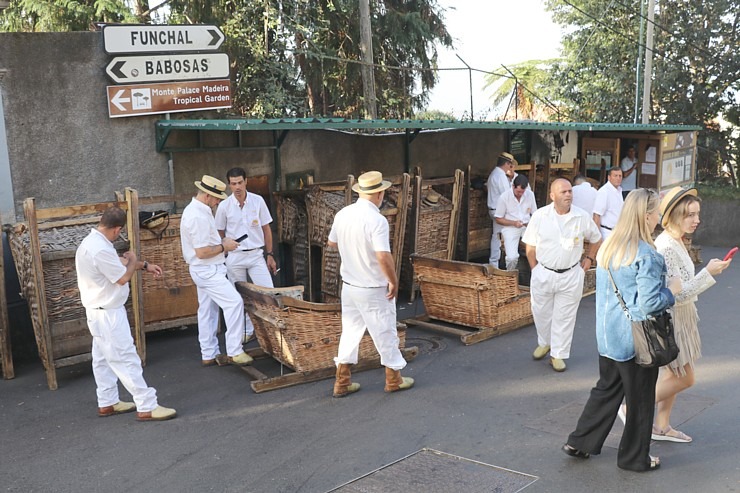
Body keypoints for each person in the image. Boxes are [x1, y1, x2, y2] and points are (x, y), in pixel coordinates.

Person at [563, 189, 680, 472]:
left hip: (607, 335)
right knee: (640, 400)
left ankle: (580, 442)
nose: (658, 218)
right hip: (636, 339)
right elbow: (649, 304)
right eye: (656, 213)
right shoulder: (647, 254)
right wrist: (671, 291)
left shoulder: (609, 247)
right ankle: (634, 459)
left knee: (606, 389)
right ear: (646, 215)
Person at [75, 206, 176, 421]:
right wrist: (133, 261)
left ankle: (107, 401)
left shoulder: (91, 243)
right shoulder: (101, 249)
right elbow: (122, 277)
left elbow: (118, 265)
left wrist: (143, 264)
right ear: (116, 229)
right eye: (120, 232)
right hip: (109, 313)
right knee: (126, 358)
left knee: (102, 359)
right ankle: (147, 405)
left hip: (97, 311)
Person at [645, 187, 730, 443]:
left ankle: (661, 425)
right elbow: (677, 294)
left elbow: (681, 288)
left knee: (674, 375)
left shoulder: (676, 241)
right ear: (674, 216)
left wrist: (707, 272)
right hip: (674, 318)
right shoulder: (667, 246)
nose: (697, 220)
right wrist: (709, 273)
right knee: (685, 378)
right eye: (690, 215)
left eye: (697, 214)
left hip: (682, 316)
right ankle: (632, 407)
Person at [327, 171, 413, 397]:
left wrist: (353, 249)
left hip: (350, 285)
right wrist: (393, 281)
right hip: (372, 287)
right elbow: (383, 256)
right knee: (385, 331)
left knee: (350, 333)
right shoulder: (377, 220)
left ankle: (342, 382)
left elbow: (331, 243)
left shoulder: (343, 214)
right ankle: (394, 379)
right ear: (379, 194)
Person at [522, 178, 601, 372]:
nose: (568, 195)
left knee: (564, 317)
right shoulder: (540, 216)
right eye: (563, 192)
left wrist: (589, 259)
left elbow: (596, 239)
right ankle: (545, 342)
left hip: (571, 274)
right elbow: (530, 246)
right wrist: (535, 268)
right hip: (544, 273)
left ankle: (558, 354)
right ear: (552, 196)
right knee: (541, 312)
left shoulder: (581, 216)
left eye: (569, 191)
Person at [181, 175, 253, 367]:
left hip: (204, 269)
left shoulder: (197, 211)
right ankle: (235, 350)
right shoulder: (197, 216)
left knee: (207, 310)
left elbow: (204, 247)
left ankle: (209, 353)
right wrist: (225, 247)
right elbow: (203, 252)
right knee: (234, 303)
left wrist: (222, 244)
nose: (219, 201)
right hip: (207, 269)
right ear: (206, 196)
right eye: (216, 198)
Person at [215, 167, 277, 342]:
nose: (237, 187)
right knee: (238, 297)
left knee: (268, 293)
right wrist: (225, 250)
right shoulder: (224, 206)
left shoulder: (257, 201)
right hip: (235, 256)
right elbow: (218, 230)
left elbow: (266, 229)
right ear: (229, 185)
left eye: (240, 182)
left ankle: (272, 330)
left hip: (256, 254)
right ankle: (247, 331)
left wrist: (270, 254)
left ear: (246, 181)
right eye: (233, 183)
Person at [494, 174, 537, 271]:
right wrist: (514, 223)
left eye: (522, 192)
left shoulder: (530, 194)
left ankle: (535, 272)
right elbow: (498, 218)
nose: (520, 194)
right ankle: (510, 274)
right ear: (513, 186)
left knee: (539, 250)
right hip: (510, 228)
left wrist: (531, 225)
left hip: (527, 227)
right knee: (511, 257)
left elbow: (535, 214)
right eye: (518, 191)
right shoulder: (504, 197)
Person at [487, 152, 516, 267]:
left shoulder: (494, 174)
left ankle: (494, 263)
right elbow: (507, 196)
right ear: (507, 164)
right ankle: (502, 263)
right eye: (510, 165)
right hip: (499, 211)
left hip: (494, 209)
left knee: (496, 236)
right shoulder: (500, 176)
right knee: (505, 236)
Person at [592, 167, 624, 240]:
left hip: (617, 233)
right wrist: (597, 237)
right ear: (609, 177)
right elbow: (596, 215)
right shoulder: (604, 192)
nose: (618, 178)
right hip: (606, 233)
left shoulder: (619, 191)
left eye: (620, 176)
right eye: (615, 176)